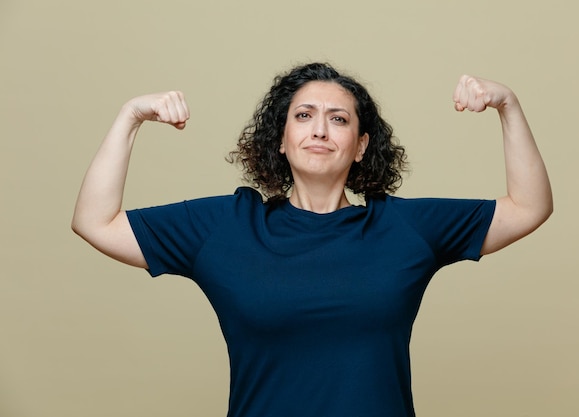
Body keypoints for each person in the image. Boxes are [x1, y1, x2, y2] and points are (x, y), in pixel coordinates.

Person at [72, 62, 552, 417]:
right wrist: (130, 116)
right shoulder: (227, 226)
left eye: (339, 119)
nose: (320, 129)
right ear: (280, 139)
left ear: (361, 146)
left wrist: (507, 105)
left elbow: (529, 207)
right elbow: (95, 221)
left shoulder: (404, 228)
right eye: (303, 116)